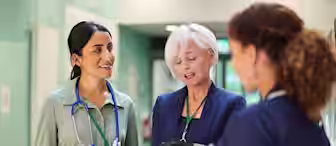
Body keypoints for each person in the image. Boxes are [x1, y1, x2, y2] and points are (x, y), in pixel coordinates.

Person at [218, 3, 336, 146]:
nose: (234, 65)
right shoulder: (313, 126)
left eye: (235, 54)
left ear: (251, 54)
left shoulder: (252, 124)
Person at [34, 21, 139, 146]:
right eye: (97, 50)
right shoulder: (55, 104)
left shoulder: (125, 105)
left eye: (110, 48)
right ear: (76, 59)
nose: (108, 57)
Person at [152, 23, 246, 146]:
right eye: (178, 61)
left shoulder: (231, 105)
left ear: (211, 56)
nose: (185, 66)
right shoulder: (163, 104)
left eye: (191, 58)